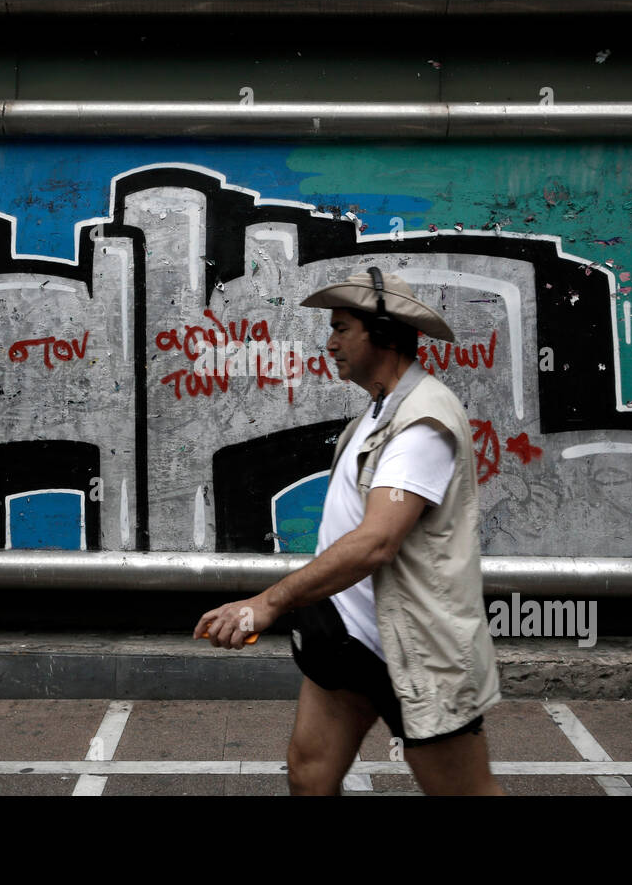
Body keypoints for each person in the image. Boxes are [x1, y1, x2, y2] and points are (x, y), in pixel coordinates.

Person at [195, 267, 502, 796]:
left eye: (342, 329)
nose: (329, 342)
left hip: (413, 651)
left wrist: (271, 602)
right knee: (310, 775)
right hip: (347, 635)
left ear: (382, 334)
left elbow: (377, 542)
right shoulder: (379, 412)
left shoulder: (423, 423)